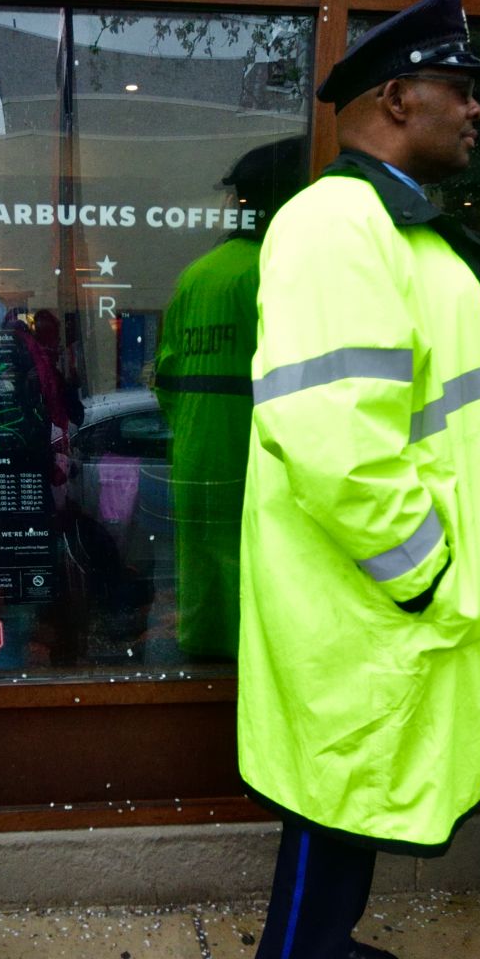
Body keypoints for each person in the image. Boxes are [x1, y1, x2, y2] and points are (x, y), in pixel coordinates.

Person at [236, 0, 480, 956]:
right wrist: (424, 572)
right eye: (463, 90)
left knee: (350, 814)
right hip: (370, 612)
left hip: (380, 615)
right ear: (398, 98)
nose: (477, 110)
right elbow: (335, 439)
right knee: (334, 814)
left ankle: (325, 945)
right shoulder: (336, 224)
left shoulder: (400, 231)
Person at [153, 137, 306, 660]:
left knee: (198, 564)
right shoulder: (277, 270)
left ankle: (200, 660)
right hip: (255, 457)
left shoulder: (198, 274)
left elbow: (167, 379)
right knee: (254, 573)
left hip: (195, 456)